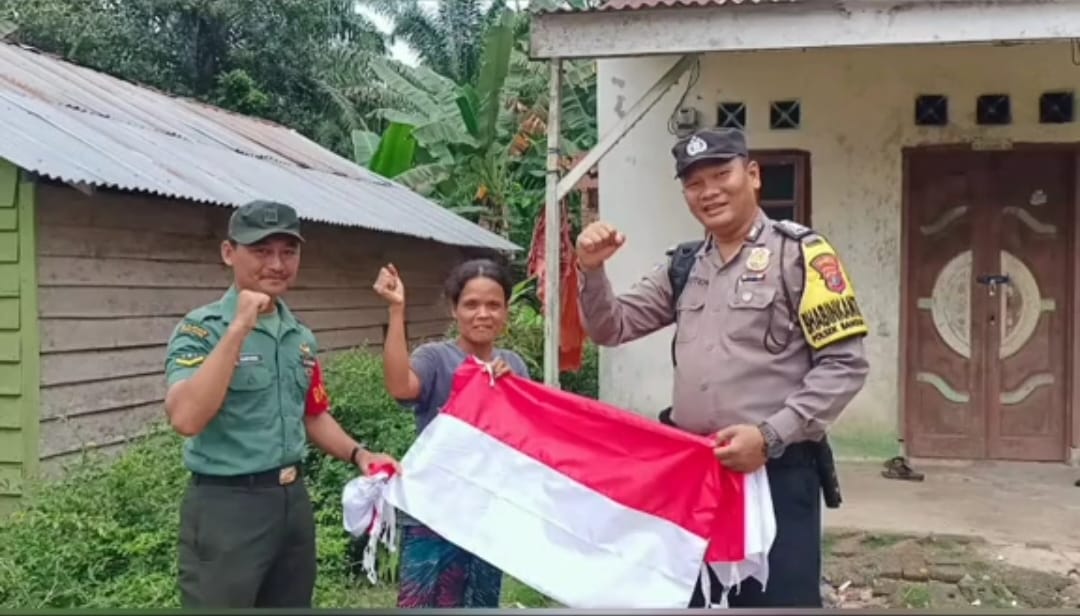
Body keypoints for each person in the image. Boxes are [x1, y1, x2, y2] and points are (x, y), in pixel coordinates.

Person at [574, 127, 870, 608]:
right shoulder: (685, 266)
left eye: (721, 174)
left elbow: (845, 365)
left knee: (775, 601)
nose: (709, 191)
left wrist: (770, 436)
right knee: (699, 598)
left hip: (774, 472)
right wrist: (591, 270)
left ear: (752, 175)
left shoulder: (801, 256)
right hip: (696, 476)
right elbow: (613, 327)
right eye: (694, 183)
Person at [163, 200, 400, 608]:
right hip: (226, 508)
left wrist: (359, 454)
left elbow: (312, 413)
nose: (276, 263)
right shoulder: (201, 330)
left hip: (291, 505)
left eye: (288, 252)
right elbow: (186, 417)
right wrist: (238, 328)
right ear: (228, 252)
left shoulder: (300, 337)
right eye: (261, 250)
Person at [374, 258, 530, 608]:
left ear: (506, 312)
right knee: (422, 602)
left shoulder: (514, 366)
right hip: (432, 511)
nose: (483, 314)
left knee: (480, 602)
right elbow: (401, 386)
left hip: (488, 512)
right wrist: (397, 311)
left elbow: (527, 439)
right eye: (471, 304)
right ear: (454, 309)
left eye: (494, 305)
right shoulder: (435, 358)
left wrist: (510, 391)